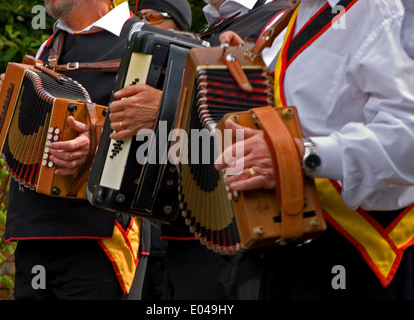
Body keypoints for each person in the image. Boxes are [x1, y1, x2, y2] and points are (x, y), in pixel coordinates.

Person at [216, 0, 414, 299]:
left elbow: (407, 135)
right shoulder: (283, 22)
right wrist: (240, 62)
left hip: (364, 253)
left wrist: (300, 155)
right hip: (288, 240)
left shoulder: (385, 8)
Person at [108, 0, 291, 300]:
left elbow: (277, 119)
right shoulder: (215, 28)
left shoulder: (281, 20)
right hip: (187, 233)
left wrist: (166, 109)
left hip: (238, 236)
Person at [0, 0, 150, 300]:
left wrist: (96, 145)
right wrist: (7, 101)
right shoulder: (48, 46)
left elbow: (165, 139)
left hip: (98, 242)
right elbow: (31, 131)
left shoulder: (141, 41)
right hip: (33, 236)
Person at [134, 0, 193, 301]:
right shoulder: (134, 68)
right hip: (139, 232)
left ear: (180, 27)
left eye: (153, 17)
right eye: (139, 17)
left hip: (185, 230)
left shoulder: (193, 71)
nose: (143, 24)